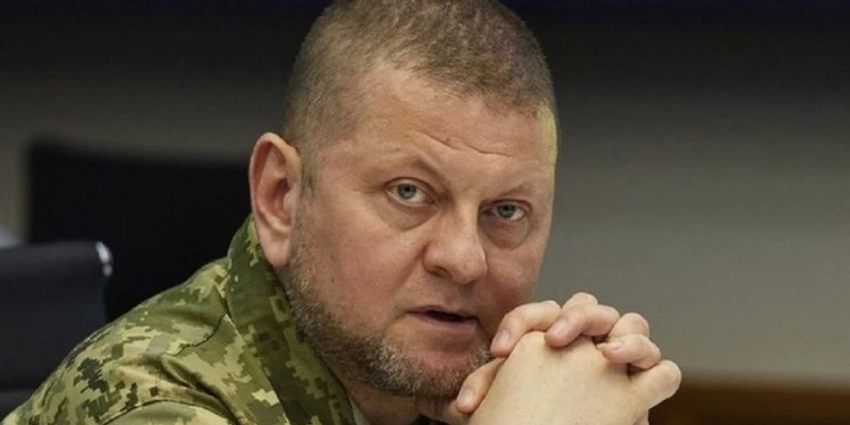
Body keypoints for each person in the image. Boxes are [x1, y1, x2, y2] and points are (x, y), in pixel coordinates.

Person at [3, 1, 681, 424]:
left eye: (506, 210)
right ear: (281, 197)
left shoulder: (426, 390)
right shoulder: (149, 403)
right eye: (409, 193)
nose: (464, 259)